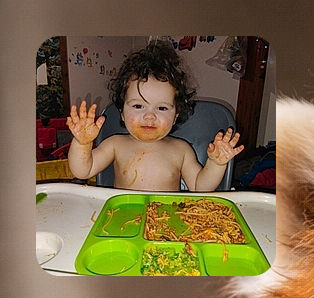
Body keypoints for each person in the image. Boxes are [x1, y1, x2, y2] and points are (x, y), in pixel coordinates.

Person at [66, 40, 242, 192]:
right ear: (122, 113)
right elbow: (83, 171)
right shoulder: (115, 145)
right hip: (124, 215)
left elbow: (199, 187)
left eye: (162, 108)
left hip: (167, 217)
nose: (150, 116)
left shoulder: (181, 150)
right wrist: (82, 144)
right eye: (138, 106)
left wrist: (216, 164)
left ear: (175, 116)